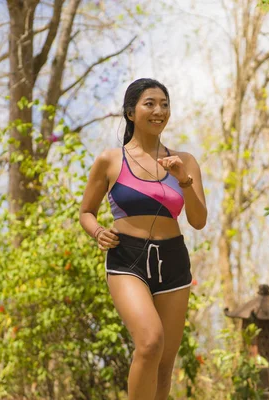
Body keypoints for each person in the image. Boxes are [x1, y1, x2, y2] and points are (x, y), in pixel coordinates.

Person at [79, 78, 207, 400]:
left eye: (164, 104)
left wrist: (184, 181)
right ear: (130, 112)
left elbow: (199, 220)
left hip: (174, 261)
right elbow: (86, 212)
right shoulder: (111, 160)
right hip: (127, 259)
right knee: (150, 342)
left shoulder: (185, 162)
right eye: (150, 103)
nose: (159, 111)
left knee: (165, 364)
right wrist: (98, 232)